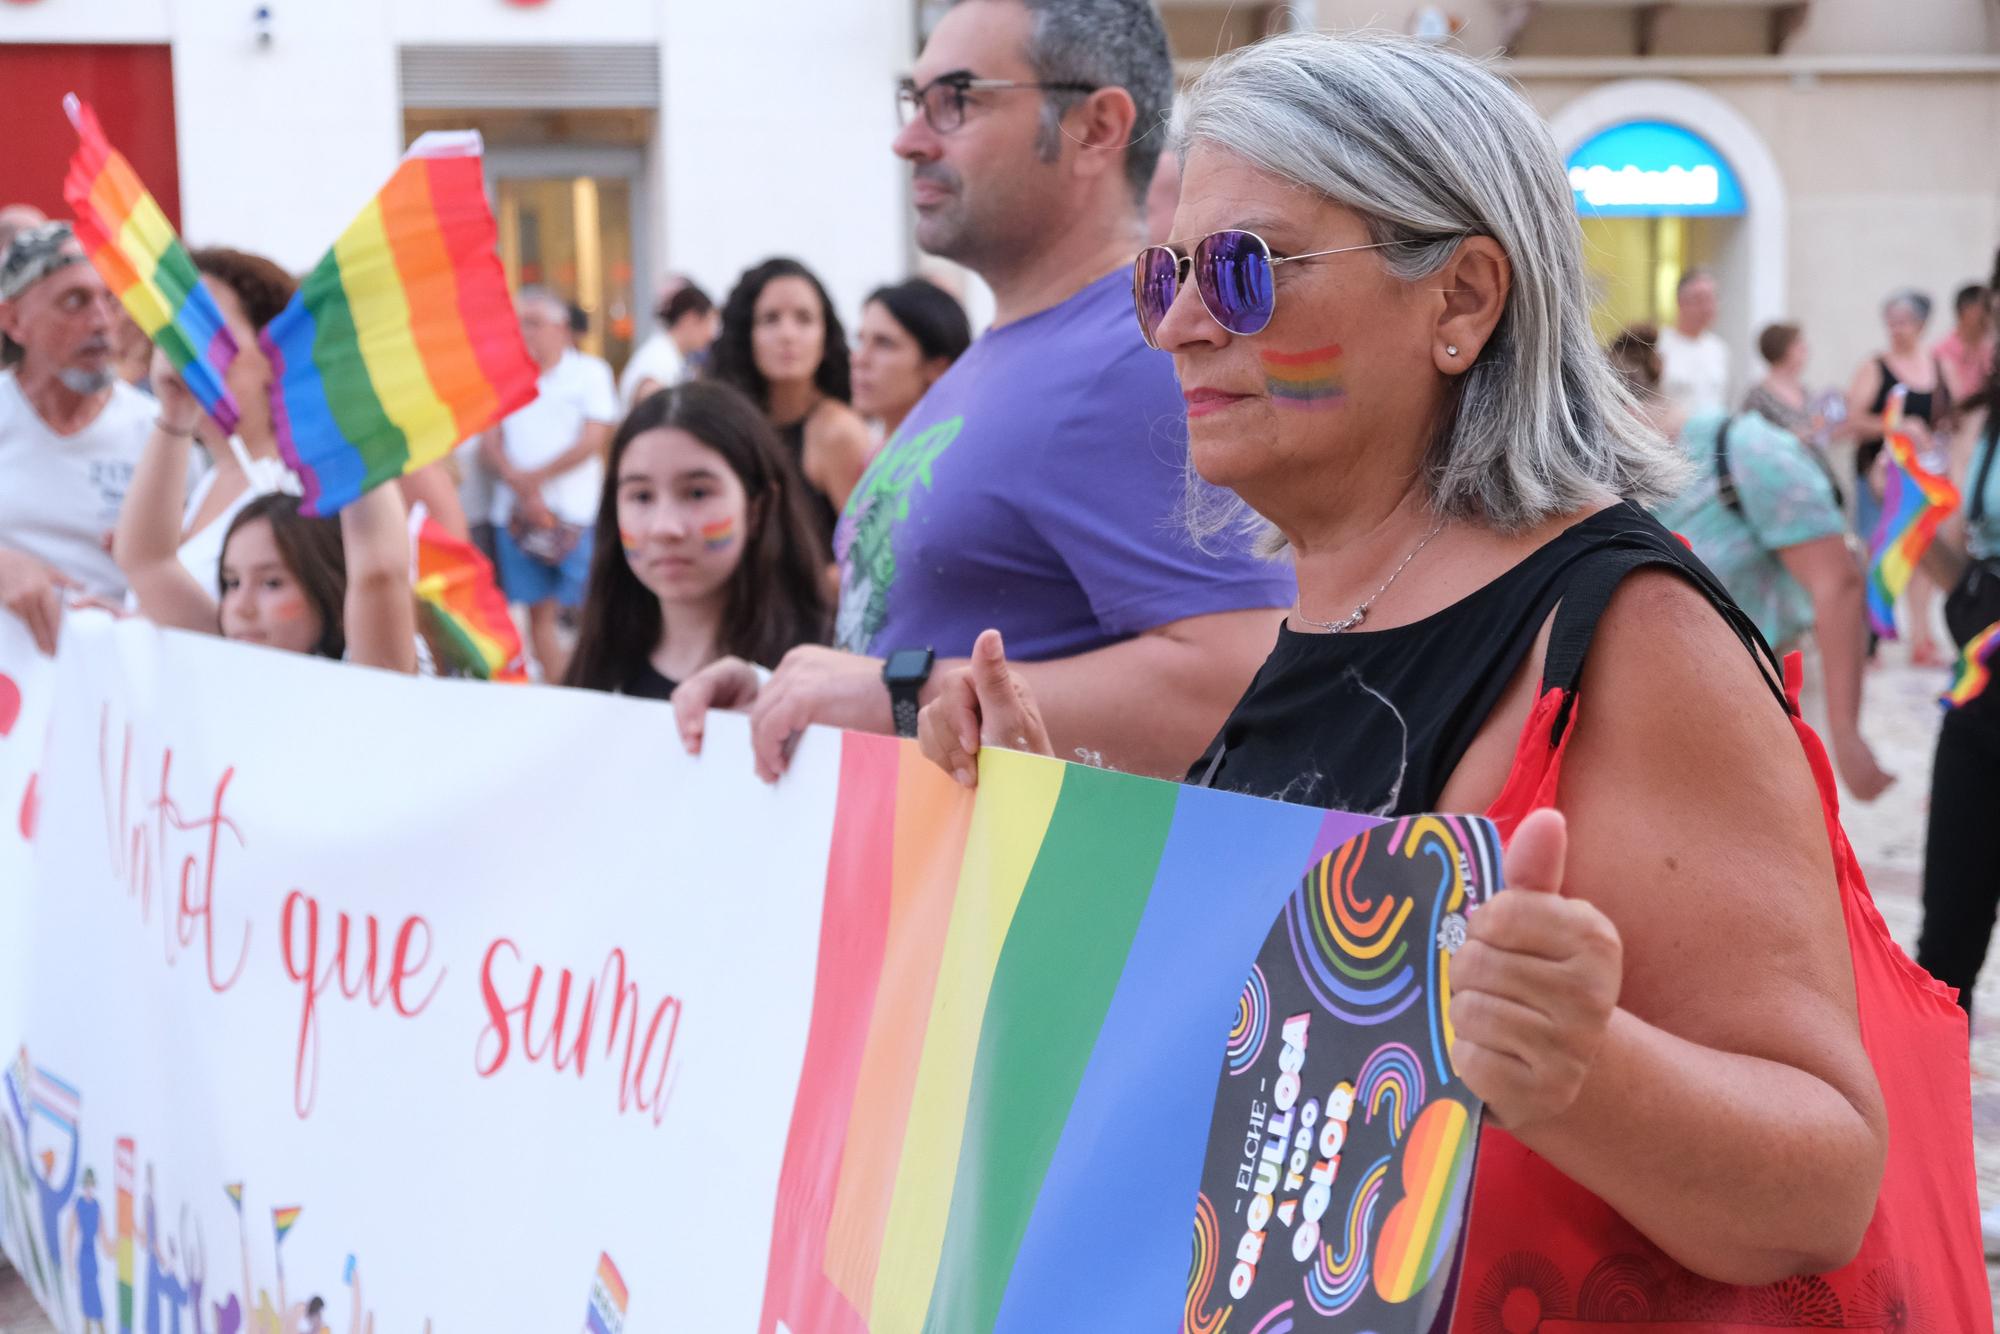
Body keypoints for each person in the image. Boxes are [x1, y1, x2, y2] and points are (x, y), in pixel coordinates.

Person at [916, 27, 1984, 1317]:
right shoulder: (1326, 603)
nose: (1182, 326)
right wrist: (1062, 831)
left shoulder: (1626, 633)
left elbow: (1822, 1181)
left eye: (1246, 270)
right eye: (1166, 275)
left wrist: (1579, 1065)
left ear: (1461, 299)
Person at [675, 0, 1293, 782]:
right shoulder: (1008, 351)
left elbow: (1240, 678)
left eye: (955, 100)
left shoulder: (1144, 354)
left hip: (1039, 896)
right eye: (914, 101)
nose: (909, 140)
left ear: (1096, 127)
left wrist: (895, 698)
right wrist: (792, 698)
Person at [1641, 327, 1891, 800]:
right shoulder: (1583, 470)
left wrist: (1845, 735)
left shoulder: (1741, 447)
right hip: (1658, 722)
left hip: (1758, 704)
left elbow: (1837, 581)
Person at [115, 357, 418, 673]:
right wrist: (176, 413)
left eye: (272, 583)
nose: (241, 608)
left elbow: (380, 571)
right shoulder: (231, 655)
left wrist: (345, 405)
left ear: (332, 591)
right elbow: (147, 562)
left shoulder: (371, 675)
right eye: (231, 583)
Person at [564, 381, 829, 699]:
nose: (665, 528)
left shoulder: (822, 672)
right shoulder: (597, 673)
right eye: (642, 496)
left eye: (697, 492)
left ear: (757, 509)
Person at [0, 221, 158, 652]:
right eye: (74, 301)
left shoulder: (161, 433)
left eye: (112, 300)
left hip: (120, 685)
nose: (102, 322)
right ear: (13, 320)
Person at [479, 287, 618, 682]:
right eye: (520, 323)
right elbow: (489, 441)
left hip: (576, 514)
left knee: (588, 607)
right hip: (518, 516)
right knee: (537, 610)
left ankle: (593, 683)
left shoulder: (590, 373)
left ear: (560, 328)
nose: (525, 332)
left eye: (534, 323)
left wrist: (533, 479)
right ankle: (561, 689)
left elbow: (594, 437)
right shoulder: (504, 375)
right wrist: (524, 490)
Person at [709, 258, 873, 558]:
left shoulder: (837, 432)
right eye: (770, 319)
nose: (787, 335)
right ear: (747, 335)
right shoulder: (729, 426)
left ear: (825, 336)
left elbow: (867, 561)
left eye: (804, 319)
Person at [1843, 288, 1951, 663]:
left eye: (1904, 322)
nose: (1897, 329)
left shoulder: (1936, 366)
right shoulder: (1875, 367)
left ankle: (1921, 637)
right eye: (1892, 322)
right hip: (1880, 477)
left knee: (1923, 553)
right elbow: (1852, 421)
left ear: (1921, 325)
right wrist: (1897, 426)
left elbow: (1946, 419)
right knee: (1877, 553)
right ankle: (1869, 641)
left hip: (1922, 478)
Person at [849, 278, 971, 442]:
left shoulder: (949, 457)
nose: (859, 359)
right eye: (860, 340)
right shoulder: (872, 453)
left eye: (884, 343)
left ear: (938, 368)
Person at [618, 279, 718, 409]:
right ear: (690, 318)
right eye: (709, 322)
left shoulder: (669, 354)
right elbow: (653, 408)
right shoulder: (659, 359)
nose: (712, 334)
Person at [1655, 267, 1731, 417]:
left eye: (1712, 299)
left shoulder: (1718, 348)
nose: (1707, 307)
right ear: (1680, 302)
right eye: (1700, 299)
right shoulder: (1659, 345)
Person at [65, 1166, 111, 1333]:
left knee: (96, 1301)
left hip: (92, 1256)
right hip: (83, 1256)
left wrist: (116, 1247)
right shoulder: (78, 1205)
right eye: (86, 1185)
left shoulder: (97, 1206)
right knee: (86, 1301)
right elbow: (70, 1235)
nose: (89, 1188)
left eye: (91, 1185)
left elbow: (104, 1237)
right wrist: (69, 1263)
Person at [1935, 281, 1995, 406]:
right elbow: (1959, 399)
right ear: (1967, 311)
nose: (1990, 317)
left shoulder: (1990, 348)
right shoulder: (1942, 352)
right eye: (1987, 309)